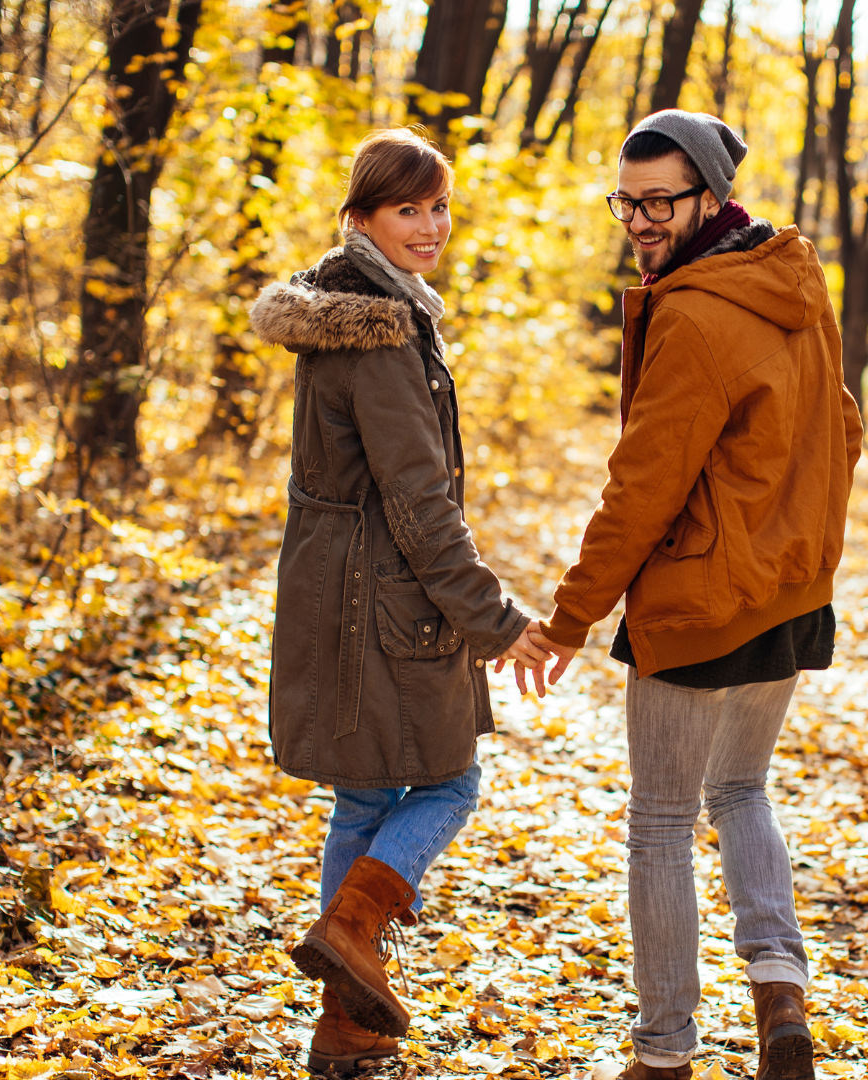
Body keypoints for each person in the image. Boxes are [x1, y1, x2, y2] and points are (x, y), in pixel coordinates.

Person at [524, 110, 863, 1080]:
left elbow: (643, 489)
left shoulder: (693, 313)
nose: (639, 221)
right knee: (743, 790)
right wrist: (790, 537)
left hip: (703, 604)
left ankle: (665, 1051)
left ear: (711, 196)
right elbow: (842, 430)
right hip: (790, 596)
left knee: (663, 823)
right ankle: (780, 988)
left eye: (660, 201)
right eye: (626, 201)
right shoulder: (793, 280)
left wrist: (569, 619)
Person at [249, 127, 550, 1075]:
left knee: (366, 796)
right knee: (450, 783)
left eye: (440, 206)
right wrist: (495, 622)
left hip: (334, 590)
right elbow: (419, 504)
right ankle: (349, 932)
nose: (431, 226)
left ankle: (347, 1026)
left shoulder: (355, 311)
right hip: (381, 600)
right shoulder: (380, 333)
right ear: (362, 218)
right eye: (408, 209)